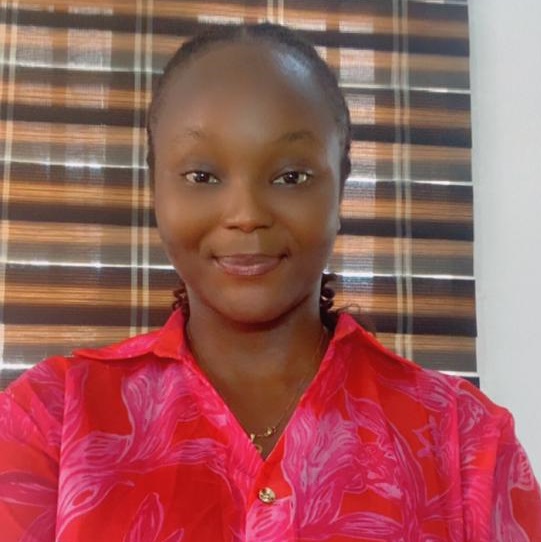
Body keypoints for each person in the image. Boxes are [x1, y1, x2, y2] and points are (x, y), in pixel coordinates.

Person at [0, 22, 539, 542]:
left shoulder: (466, 443)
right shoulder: (49, 423)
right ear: (155, 188)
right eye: (202, 176)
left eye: (290, 176)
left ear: (341, 188)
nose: (247, 214)